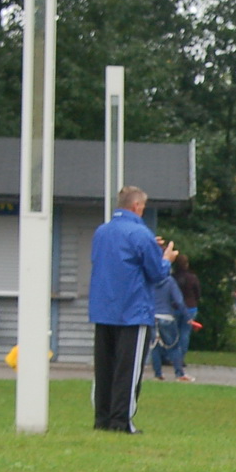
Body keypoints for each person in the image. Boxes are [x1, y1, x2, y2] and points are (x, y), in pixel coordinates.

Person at [88, 185, 176, 432]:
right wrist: (166, 259)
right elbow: (157, 273)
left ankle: (102, 418)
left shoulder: (102, 232)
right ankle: (121, 421)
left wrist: (150, 247)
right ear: (137, 206)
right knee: (128, 368)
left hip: (103, 309)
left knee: (104, 367)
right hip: (132, 310)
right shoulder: (141, 233)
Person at [172, 254, 199, 381]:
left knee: (174, 334)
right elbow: (197, 292)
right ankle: (181, 358)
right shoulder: (192, 278)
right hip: (190, 307)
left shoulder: (173, 278)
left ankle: (174, 357)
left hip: (175, 308)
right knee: (185, 333)